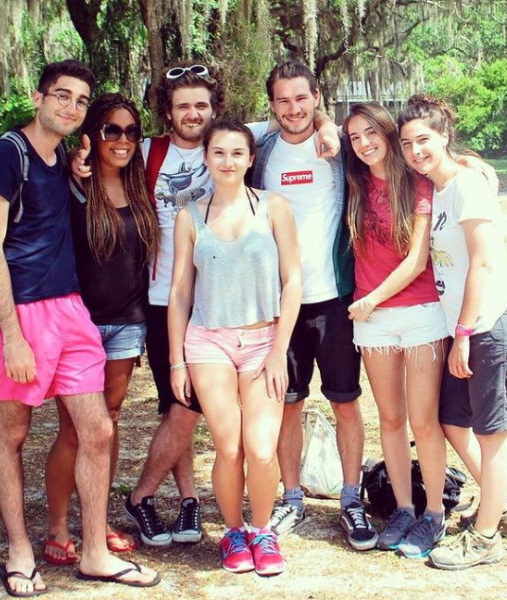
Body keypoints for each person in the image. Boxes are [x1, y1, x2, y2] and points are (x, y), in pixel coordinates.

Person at [72, 62, 338, 548]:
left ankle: (184, 500)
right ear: (168, 113)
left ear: (216, 111)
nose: (192, 114)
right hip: (161, 301)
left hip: (235, 305)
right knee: (182, 408)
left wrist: (325, 124)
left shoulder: (237, 140)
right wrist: (77, 159)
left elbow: (299, 117)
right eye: (182, 106)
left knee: (190, 412)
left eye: (201, 105)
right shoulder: (147, 149)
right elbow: (105, 156)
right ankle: (158, 497)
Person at [0, 60, 159, 596]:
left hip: (71, 310)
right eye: (62, 95)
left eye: (80, 100)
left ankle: (95, 552)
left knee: (98, 429)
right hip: (19, 312)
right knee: (12, 431)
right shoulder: (5, 156)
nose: (70, 106)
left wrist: (80, 163)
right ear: (38, 97)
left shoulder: (61, 160)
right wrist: (11, 334)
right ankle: (19, 550)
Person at [247, 61, 376, 551]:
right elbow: (228, 131)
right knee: (288, 404)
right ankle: (293, 496)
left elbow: (394, 143)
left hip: (336, 298)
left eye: (302, 99)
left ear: (317, 96)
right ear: (272, 104)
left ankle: (350, 498)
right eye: (282, 100)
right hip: (280, 306)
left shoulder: (341, 148)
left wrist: (328, 127)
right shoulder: (261, 150)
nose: (293, 109)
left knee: (345, 402)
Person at [398, 94, 507, 570]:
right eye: (408, 143)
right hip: (470, 329)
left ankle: (486, 536)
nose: (416, 151)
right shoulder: (439, 189)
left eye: (424, 140)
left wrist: (464, 332)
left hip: (490, 324)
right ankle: (504, 505)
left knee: (493, 434)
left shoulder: (469, 186)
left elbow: (484, 262)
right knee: (453, 421)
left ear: (444, 136)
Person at [168, 119, 302, 575]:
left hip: (264, 340)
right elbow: (181, 293)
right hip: (208, 343)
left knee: (262, 450)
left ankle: (261, 531)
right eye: (218, 153)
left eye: (236, 153)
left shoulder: (273, 207)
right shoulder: (190, 215)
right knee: (229, 448)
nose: (227, 161)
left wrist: (279, 348)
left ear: (250, 158)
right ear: (206, 157)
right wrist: (176, 361)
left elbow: (293, 280)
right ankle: (232, 532)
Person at [44, 93, 160, 561]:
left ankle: (97, 519)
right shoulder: (74, 185)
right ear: (92, 135)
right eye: (112, 130)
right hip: (78, 327)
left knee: (106, 427)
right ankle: (56, 527)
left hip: (127, 325)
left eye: (132, 131)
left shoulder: (138, 187)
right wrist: (73, 166)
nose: (123, 140)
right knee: (74, 431)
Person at [343, 102, 449, 558]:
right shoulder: (352, 182)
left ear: (387, 133)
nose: (364, 143)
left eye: (372, 133)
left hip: (419, 311)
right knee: (389, 417)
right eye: (354, 137)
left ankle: (434, 514)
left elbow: (417, 259)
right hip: (374, 323)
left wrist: (371, 298)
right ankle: (404, 508)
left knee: (424, 420)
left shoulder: (418, 183)